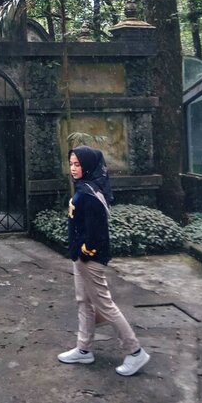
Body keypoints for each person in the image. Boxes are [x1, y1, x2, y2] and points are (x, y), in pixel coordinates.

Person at [58, 145, 150, 377]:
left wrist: (84, 251)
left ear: (88, 166)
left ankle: (135, 351)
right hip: (80, 257)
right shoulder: (84, 188)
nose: (74, 168)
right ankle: (84, 348)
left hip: (90, 259)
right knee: (84, 302)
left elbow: (96, 234)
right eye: (71, 164)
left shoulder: (90, 194)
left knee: (105, 306)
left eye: (78, 164)